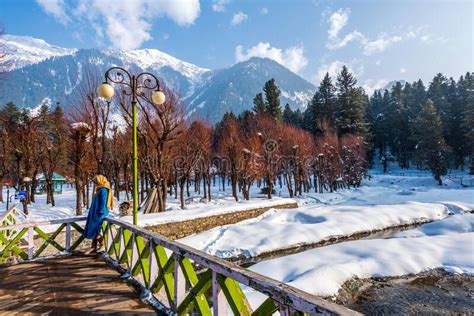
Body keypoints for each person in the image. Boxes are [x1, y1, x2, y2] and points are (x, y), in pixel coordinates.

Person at [83, 175, 113, 251]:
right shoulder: (100, 189)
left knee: (95, 229)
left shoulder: (103, 189)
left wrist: (102, 211)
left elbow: (104, 201)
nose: (95, 183)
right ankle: (94, 246)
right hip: (95, 212)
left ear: (100, 181)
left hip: (99, 213)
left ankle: (103, 245)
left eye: (96, 182)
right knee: (92, 228)